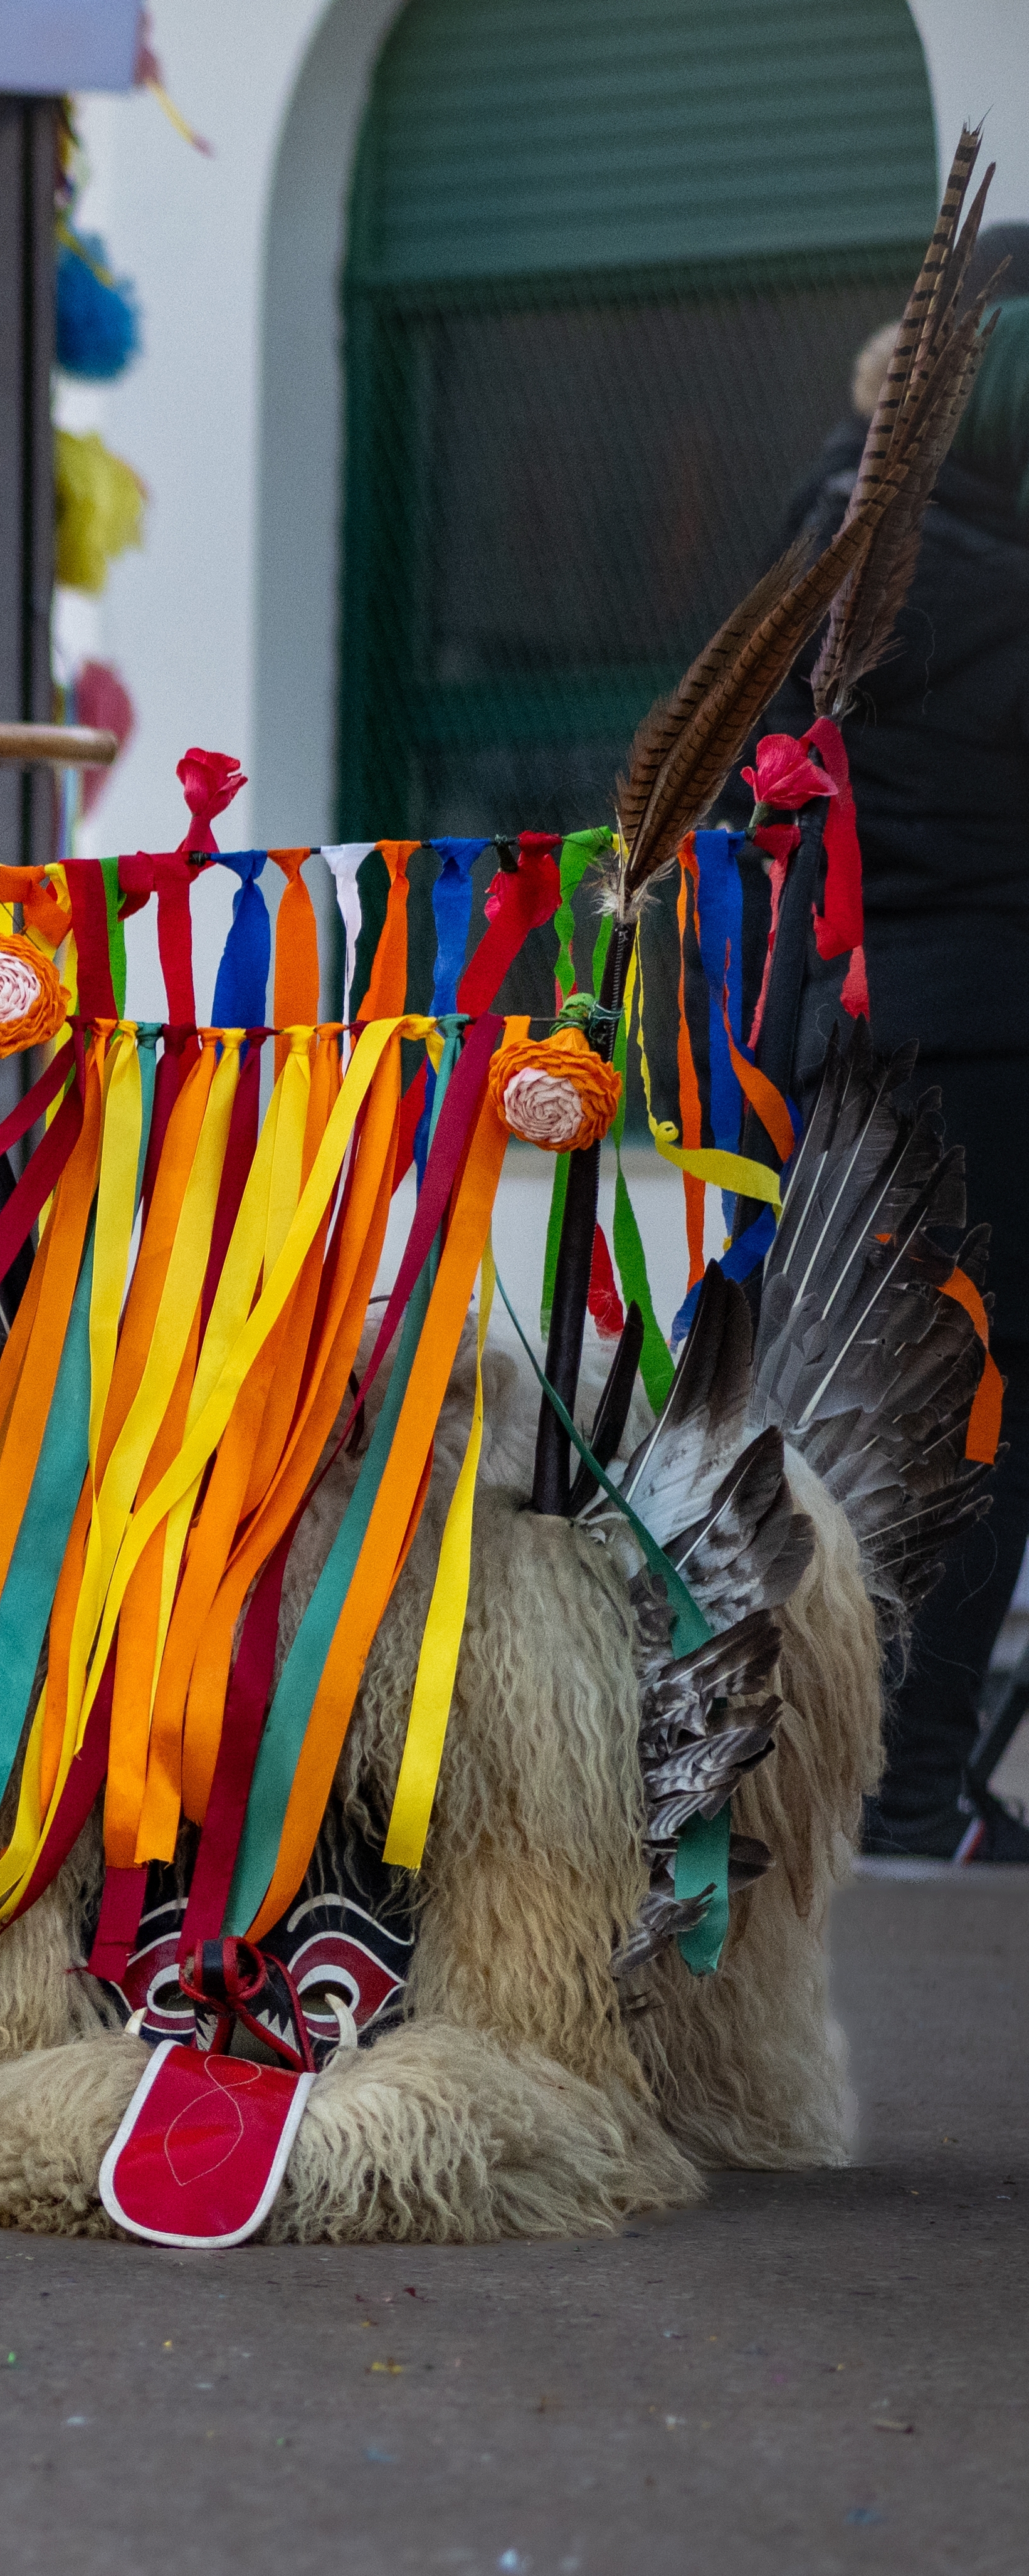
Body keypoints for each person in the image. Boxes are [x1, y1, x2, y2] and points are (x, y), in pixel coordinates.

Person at [779, 245, 1029, 1863]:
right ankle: (920, 1786)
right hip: (1002, 1042)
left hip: (851, 1036)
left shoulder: (844, 542)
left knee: (850, 1410)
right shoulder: (1005, 580)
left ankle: (831, 1783)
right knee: (984, 1420)